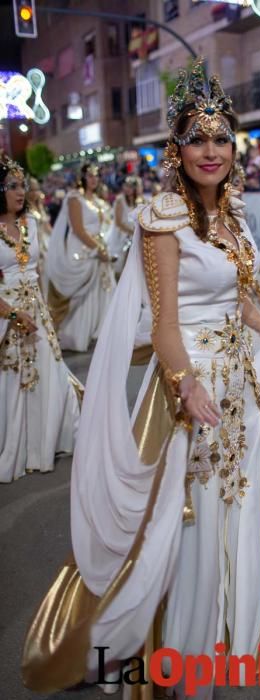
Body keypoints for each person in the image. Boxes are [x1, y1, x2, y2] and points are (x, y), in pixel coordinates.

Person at [22, 60, 260, 699]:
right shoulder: (162, 217)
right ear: (177, 148)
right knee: (181, 515)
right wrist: (184, 383)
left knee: (245, 495)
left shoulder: (233, 214)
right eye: (198, 137)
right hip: (187, 384)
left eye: (222, 138)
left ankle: (234, 613)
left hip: (239, 385)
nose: (211, 151)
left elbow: (239, 301)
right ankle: (183, 634)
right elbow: (165, 323)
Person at [0, 156, 81, 483]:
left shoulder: (30, 224)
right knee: (14, 380)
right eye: (12, 186)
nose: (22, 192)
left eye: (23, 186)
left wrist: (42, 310)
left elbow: (38, 270)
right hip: (7, 316)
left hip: (37, 311)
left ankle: (46, 443)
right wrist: (12, 313)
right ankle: (19, 448)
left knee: (49, 373)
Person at [46, 163, 116, 352]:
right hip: (83, 249)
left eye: (97, 176)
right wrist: (97, 248)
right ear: (83, 177)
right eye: (90, 175)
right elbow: (78, 229)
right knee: (84, 293)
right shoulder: (74, 197)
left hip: (98, 247)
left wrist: (103, 246)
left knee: (103, 289)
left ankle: (100, 331)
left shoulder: (97, 200)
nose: (94, 179)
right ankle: (77, 333)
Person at [107, 176, 141, 277]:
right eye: (126, 186)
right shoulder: (120, 200)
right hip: (120, 234)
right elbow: (118, 222)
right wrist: (131, 232)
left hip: (132, 233)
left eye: (131, 187)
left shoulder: (137, 201)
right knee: (121, 262)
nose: (128, 189)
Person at [26, 176, 52, 297]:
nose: (36, 192)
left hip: (45, 243)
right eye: (32, 189)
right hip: (35, 245)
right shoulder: (25, 210)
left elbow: (47, 226)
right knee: (42, 276)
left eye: (37, 189)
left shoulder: (39, 206)